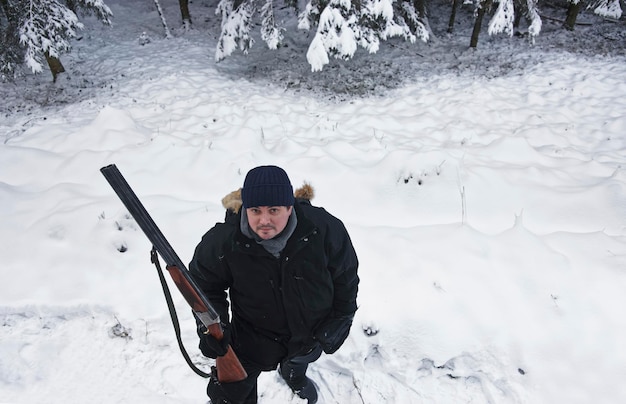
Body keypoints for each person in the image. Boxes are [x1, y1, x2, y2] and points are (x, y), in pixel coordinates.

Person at [188, 165, 359, 404]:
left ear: (290, 207)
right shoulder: (224, 242)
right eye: (255, 210)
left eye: (274, 210)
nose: (264, 220)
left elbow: (346, 277)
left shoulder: (324, 229)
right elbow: (203, 285)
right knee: (229, 396)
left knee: (299, 360)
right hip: (251, 337)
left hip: (310, 333)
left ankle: (293, 375)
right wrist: (212, 326)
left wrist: (342, 317)